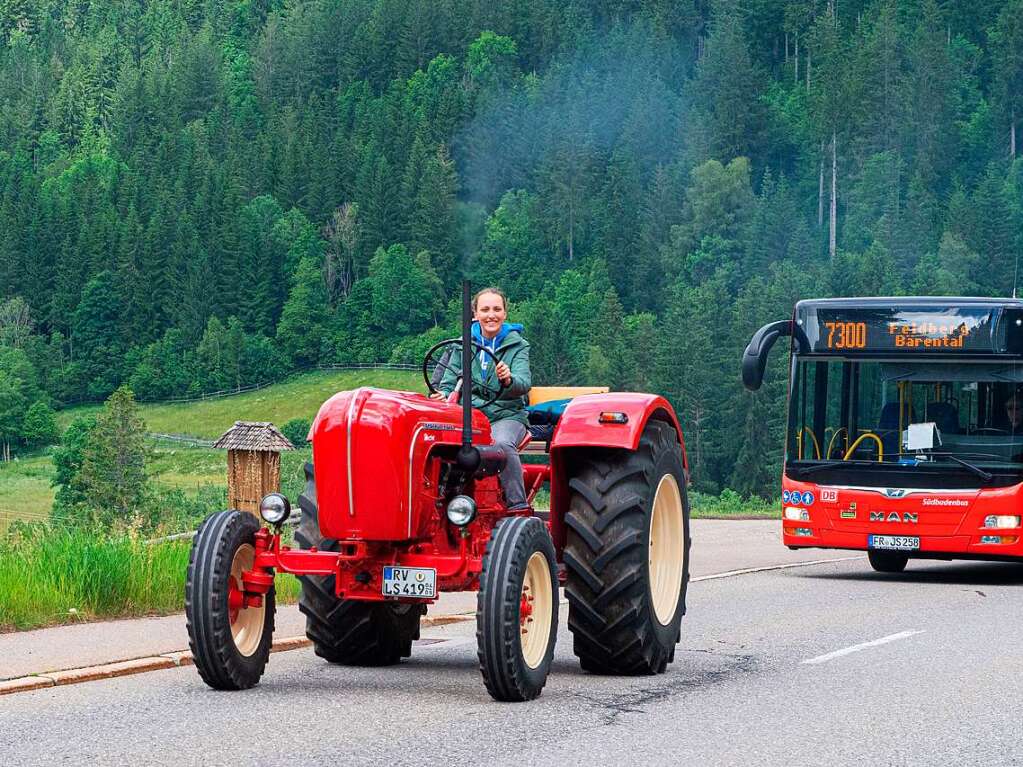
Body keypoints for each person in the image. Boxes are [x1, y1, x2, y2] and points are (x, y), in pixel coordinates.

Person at [431, 287, 532, 510]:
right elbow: (449, 381)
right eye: (485, 309)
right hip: (471, 417)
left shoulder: (518, 346)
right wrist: (444, 395)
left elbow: (523, 384)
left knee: (501, 443)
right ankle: (439, 504)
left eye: (497, 309)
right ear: (475, 314)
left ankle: (518, 506)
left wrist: (508, 379)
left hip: (507, 414)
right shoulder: (462, 345)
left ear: (505, 313)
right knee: (435, 444)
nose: (491, 315)